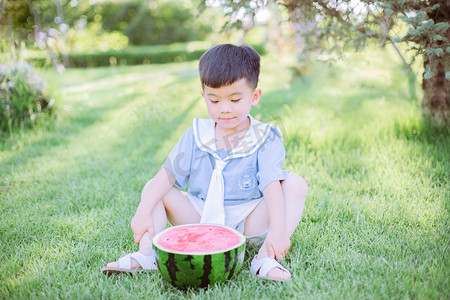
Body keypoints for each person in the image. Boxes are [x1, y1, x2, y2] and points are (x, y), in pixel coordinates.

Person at [102, 44, 308, 282]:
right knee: (154, 187)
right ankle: (147, 255)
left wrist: (279, 231)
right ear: (204, 97)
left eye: (235, 99)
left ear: (255, 97)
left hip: (247, 218)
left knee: (294, 183)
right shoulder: (196, 133)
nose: (225, 109)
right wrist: (142, 211)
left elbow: (271, 184)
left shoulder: (266, 136)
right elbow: (167, 174)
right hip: (199, 215)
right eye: (214, 100)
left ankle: (265, 258)